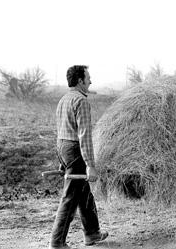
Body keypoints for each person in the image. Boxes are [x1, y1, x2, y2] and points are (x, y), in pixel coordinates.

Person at [49, 65, 108, 248]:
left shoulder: (64, 100)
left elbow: (61, 132)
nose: (91, 81)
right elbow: (84, 136)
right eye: (88, 77)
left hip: (64, 147)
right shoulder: (81, 101)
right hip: (75, 149)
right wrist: (90, 164)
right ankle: (57, 242)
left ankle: (92, 233)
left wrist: (62, 161)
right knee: (70, 196)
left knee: (83, 192)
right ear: (80, 80)